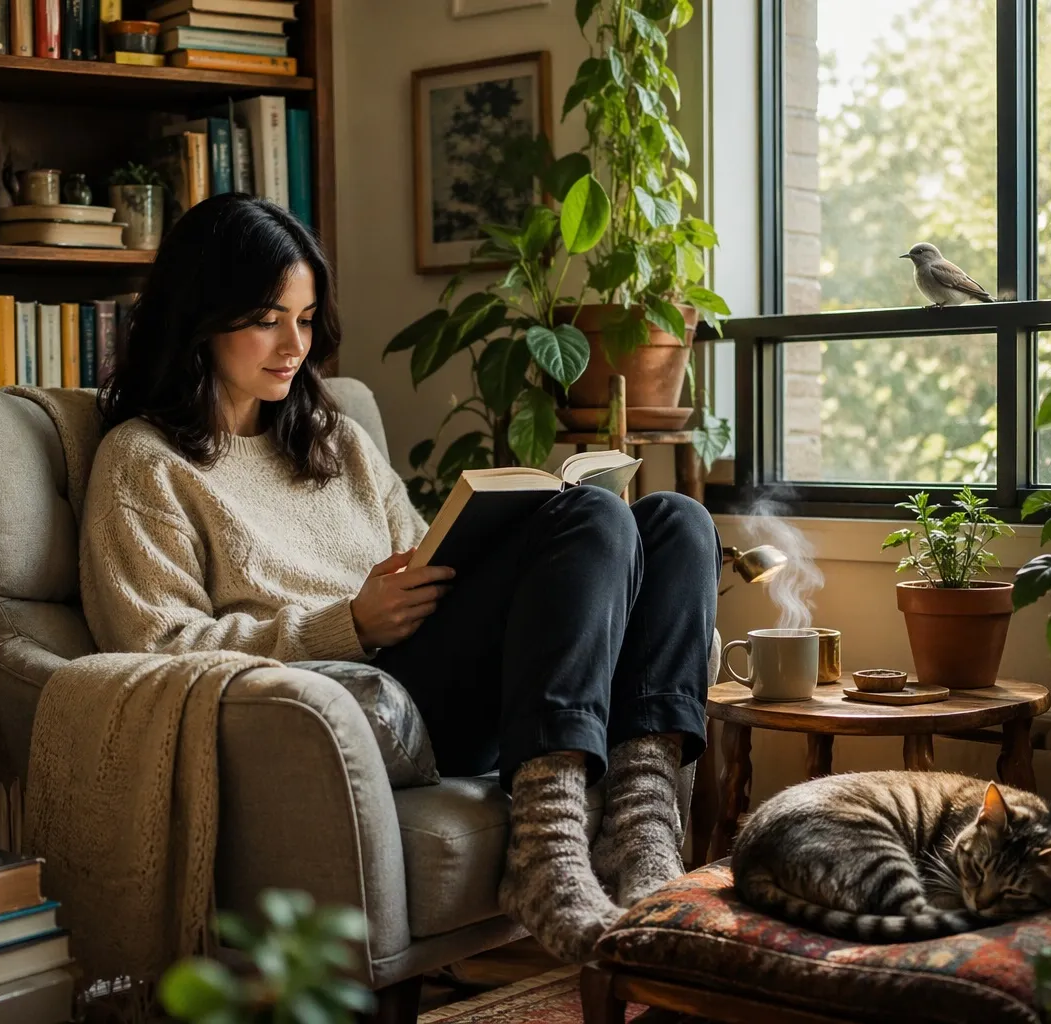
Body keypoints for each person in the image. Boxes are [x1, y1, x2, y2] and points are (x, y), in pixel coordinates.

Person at [79, 194, 721, 962]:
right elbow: (155, 647)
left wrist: (481, 558)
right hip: (357, 701)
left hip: (437, 667)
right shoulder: (144, 462)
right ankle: (546, 850)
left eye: (307, 318)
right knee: (593, 518)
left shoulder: (334, 440)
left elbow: (427, 558)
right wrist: (349, 623)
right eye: (266, 318)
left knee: (679, 522)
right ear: (200, 317)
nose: (294, 345)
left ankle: (641, 829)